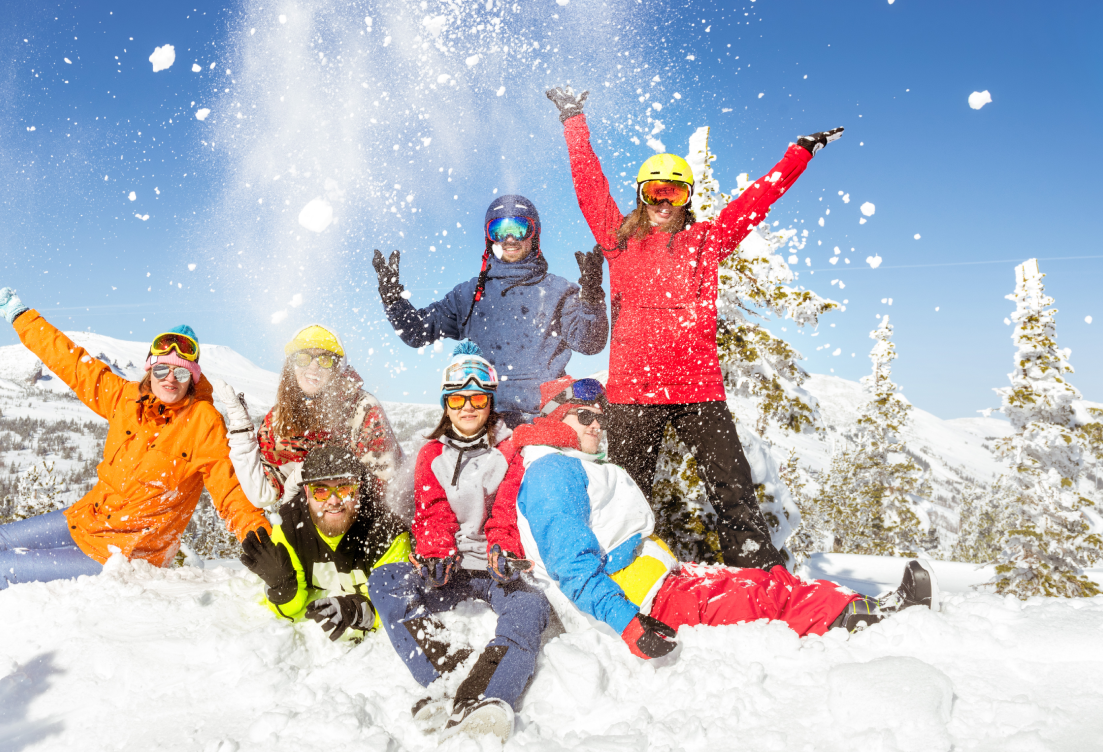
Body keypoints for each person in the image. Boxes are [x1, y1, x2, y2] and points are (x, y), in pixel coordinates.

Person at [546, 86, 845, 569]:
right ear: (642, 197)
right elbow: (589, 186)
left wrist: (798, 154)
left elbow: (756, 201)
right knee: (625, 491)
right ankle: (619, 574)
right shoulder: (619, 240)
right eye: (655, 192)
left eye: (675, 192)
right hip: (634, 394)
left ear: (687, 198)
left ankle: (756, 570)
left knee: (733, 487)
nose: (664, 202)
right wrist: (573, 120)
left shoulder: (706, 241)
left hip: (698, 390)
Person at [0, 287, 268, 609]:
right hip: (86, 519)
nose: (170, 379)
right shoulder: (124, 399)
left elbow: (230, 493)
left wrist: (259, 541)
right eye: (162, 369)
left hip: (128, 552)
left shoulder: (203, 423)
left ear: (193, 377)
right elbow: (70, 361)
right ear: (148, 370)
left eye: (181, 372)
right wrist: (22, 316)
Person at [505, 375, 939, 661]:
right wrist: (629, 625)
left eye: (601, 418)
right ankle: (862, 619)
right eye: (586, 417)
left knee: (764, 580)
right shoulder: (552, 473)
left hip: (657, 583)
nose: (598, 426)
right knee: (759, 597)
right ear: (555, 419)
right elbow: (572, 568)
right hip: (641, 602)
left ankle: (854, 606)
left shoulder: (572, 464)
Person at [367, 342, 550, 744]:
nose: (468, 408)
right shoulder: (431, 453)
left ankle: (487, 693)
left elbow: (506, 507)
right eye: (458, 399)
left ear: (490, 403)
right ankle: (450, 669)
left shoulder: (508, 449)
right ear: (446, 405)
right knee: (384, 581)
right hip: (451, 568)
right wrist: (436, 552)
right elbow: (432, 510)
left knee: (531, 605)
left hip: (494, 567)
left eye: (478, 399)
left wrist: (502, 549)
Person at [372, 194, 609, 427]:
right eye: (498, 230)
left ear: (534, 234)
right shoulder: (468, 295)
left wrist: (591, 298)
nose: (509, 238)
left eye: (519, 228)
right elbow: (418, 332)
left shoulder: (558, 290)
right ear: (489, 239)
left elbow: (590, 343)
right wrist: (394, 301)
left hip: (545, 419)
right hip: (484, 420)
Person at [214, 324, 402, 510]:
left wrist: (306, 482)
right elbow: (261, 494)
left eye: (325, 360)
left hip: (359, 523)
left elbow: (385, 489)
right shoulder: (279, 418)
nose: (313, 367)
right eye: (303, 358)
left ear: (337, 368)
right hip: (309, 526)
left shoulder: (363, 409)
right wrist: (240, 428)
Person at [238, 446, 411, 641]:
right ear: (306, 492)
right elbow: (288, 614)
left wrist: (357, 611)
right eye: (320, 491)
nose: (334, 500)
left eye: (344, 488)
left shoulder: (386, 531)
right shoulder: (290, 528)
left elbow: (398, 607)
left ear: (359, 488)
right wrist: (283, 588)